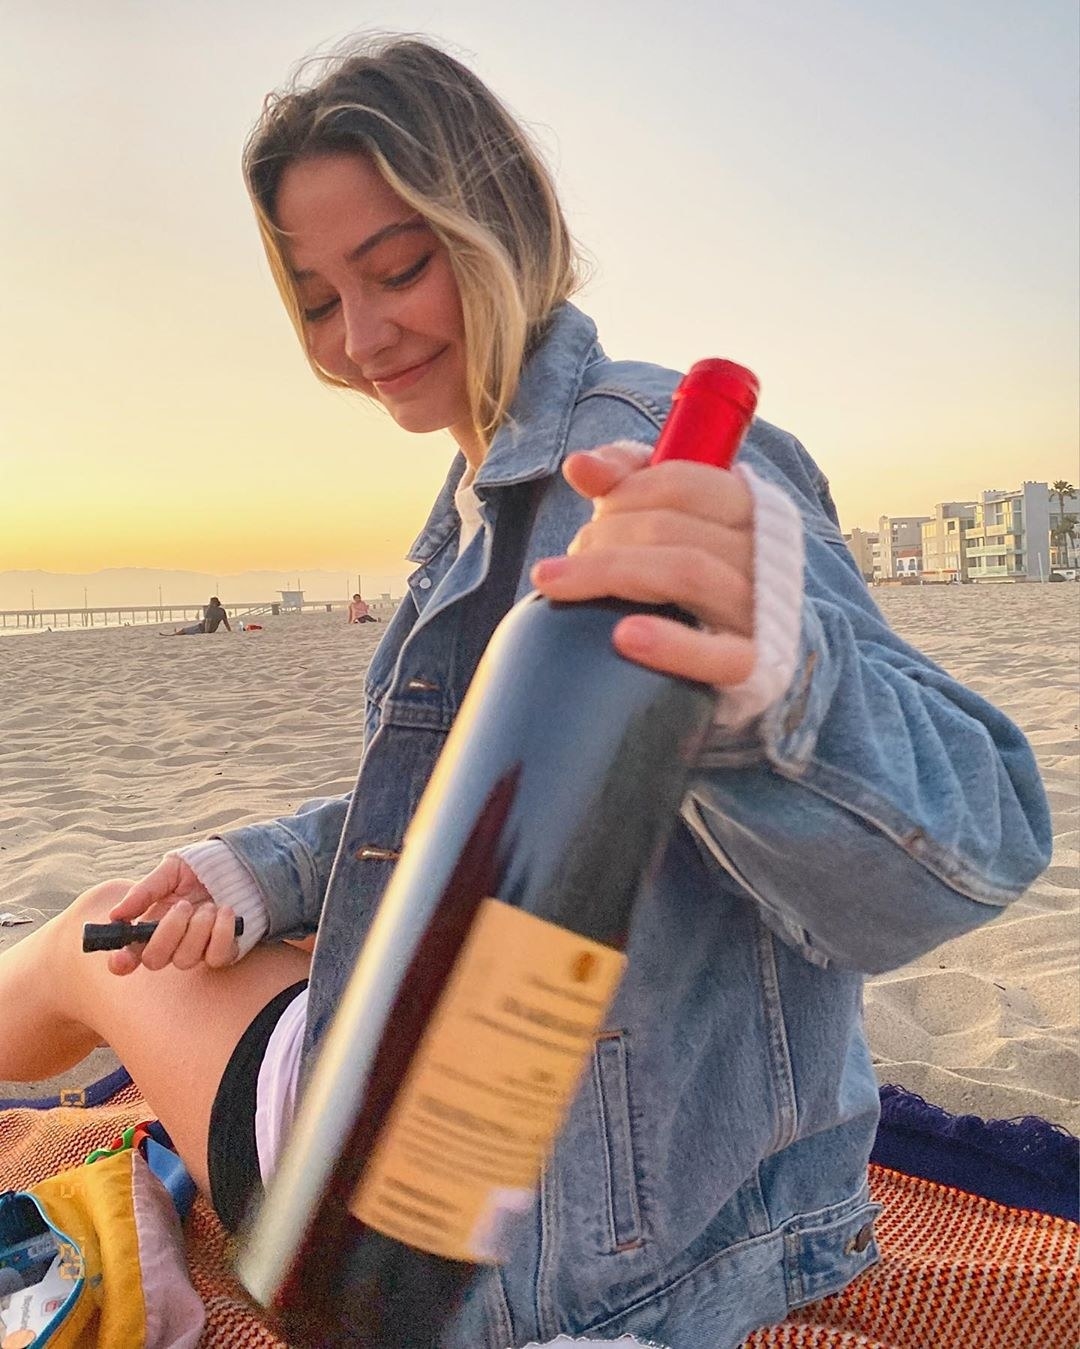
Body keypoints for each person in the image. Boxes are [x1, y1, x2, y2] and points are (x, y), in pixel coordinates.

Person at [0, 37, 1051, 1349]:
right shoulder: (481, 499)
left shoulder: (652, 463)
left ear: (505, 223)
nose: (364, 336)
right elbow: (491, 803)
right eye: (320, 301)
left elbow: (976, 838)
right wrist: (256, 865)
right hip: (482, 1169)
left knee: (83, 940)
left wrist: (785, 683)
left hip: (459, 1246)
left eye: (397, 268)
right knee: (177, 933)